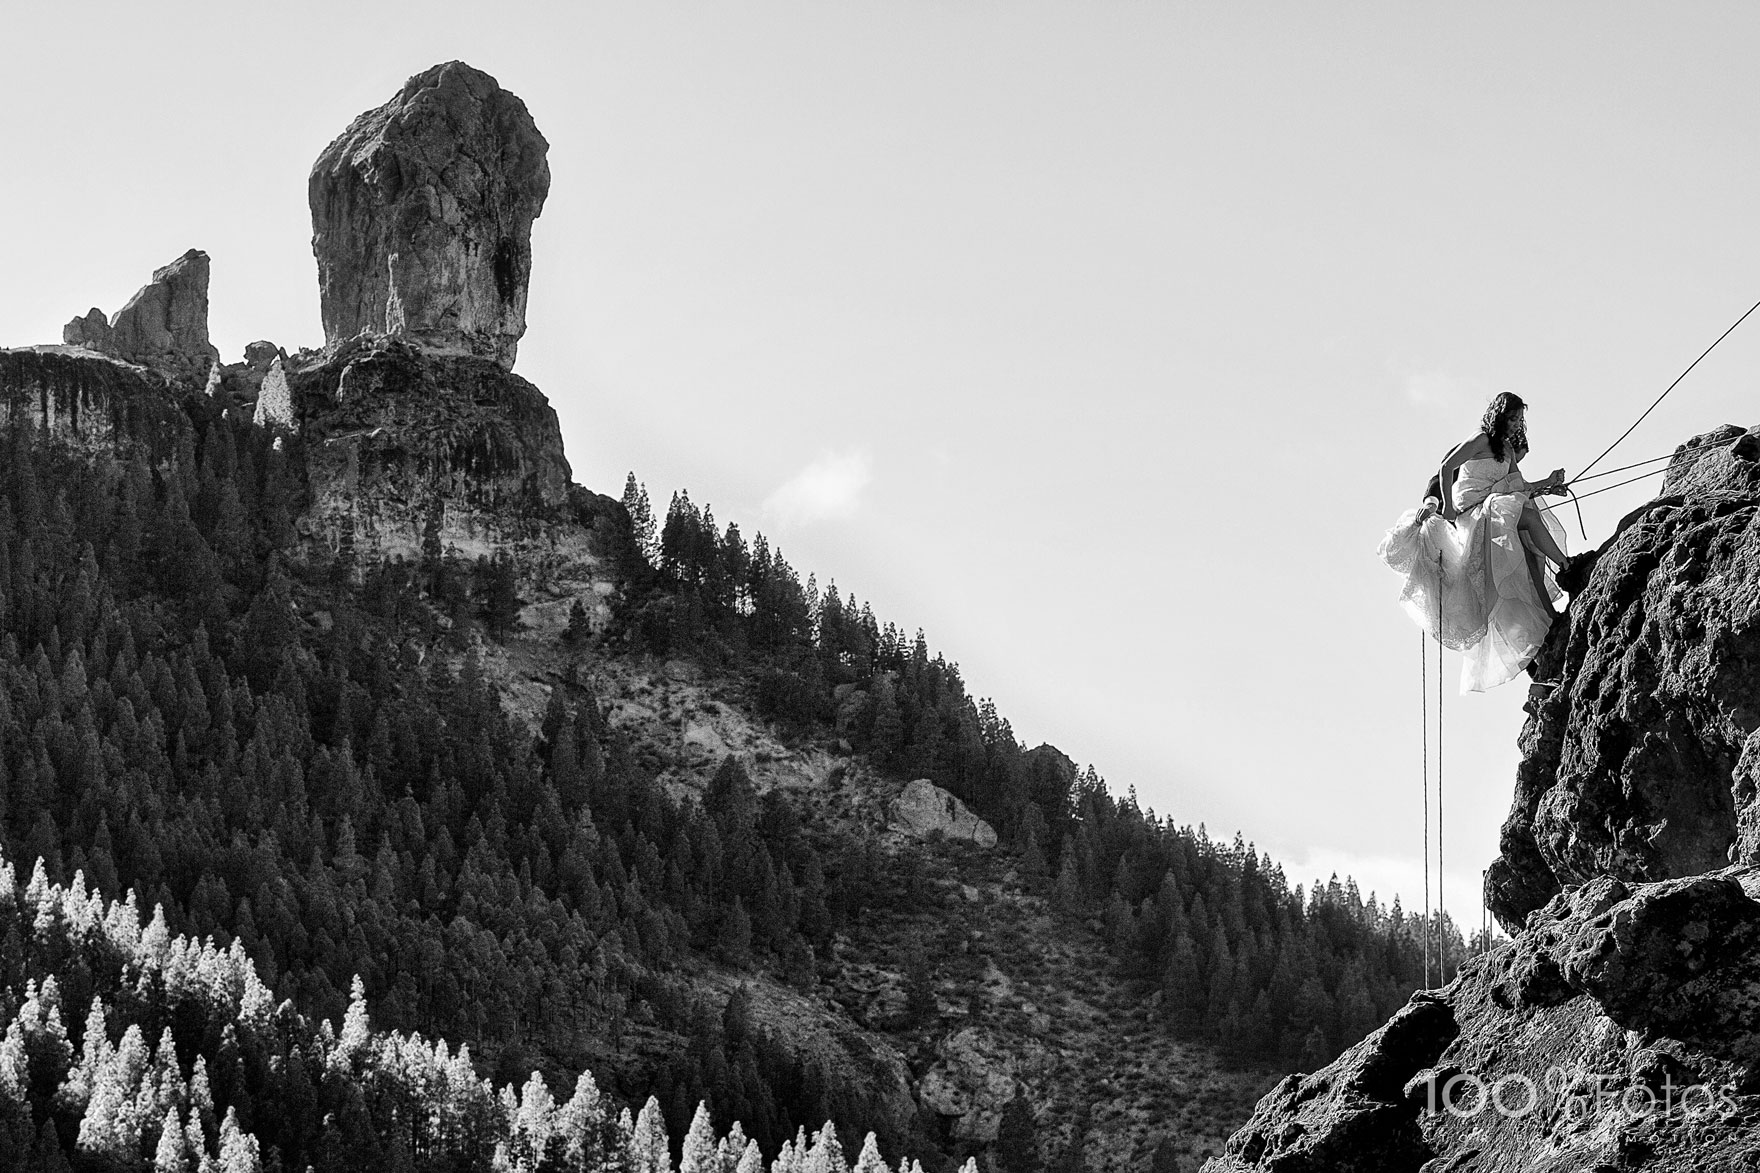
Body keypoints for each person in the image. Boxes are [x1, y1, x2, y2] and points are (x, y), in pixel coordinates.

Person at [1378, 392, 1573, 691]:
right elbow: (1445, 467)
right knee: (1526, 517)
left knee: (1528, 551)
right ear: (1499, 416)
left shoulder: (1507, 448)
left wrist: (1548, 483)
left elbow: (1521, 486)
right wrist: (1445, 506)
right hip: (1475, 514)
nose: (1516, 424)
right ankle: (1565, 565)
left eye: (1520, 419)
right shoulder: (1481, 440)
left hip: (1495, 511)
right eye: (1512, 418)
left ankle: (1549, 617)